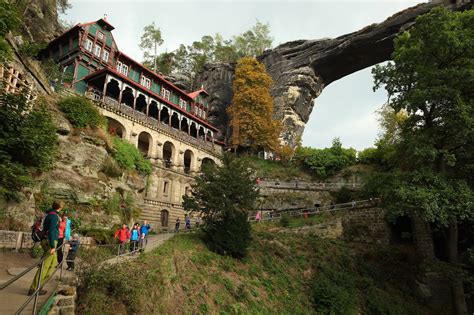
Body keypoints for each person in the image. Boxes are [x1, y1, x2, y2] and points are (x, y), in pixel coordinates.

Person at [28, 200, 63, 296]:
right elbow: (51, 231)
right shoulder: (53, 216)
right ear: (60, 207)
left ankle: (39, 286)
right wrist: (52, 246)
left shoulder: (50, 214)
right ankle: (34, 289)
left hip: (48, 241)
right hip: (50, 242)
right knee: (45, 266)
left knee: (52, 264)